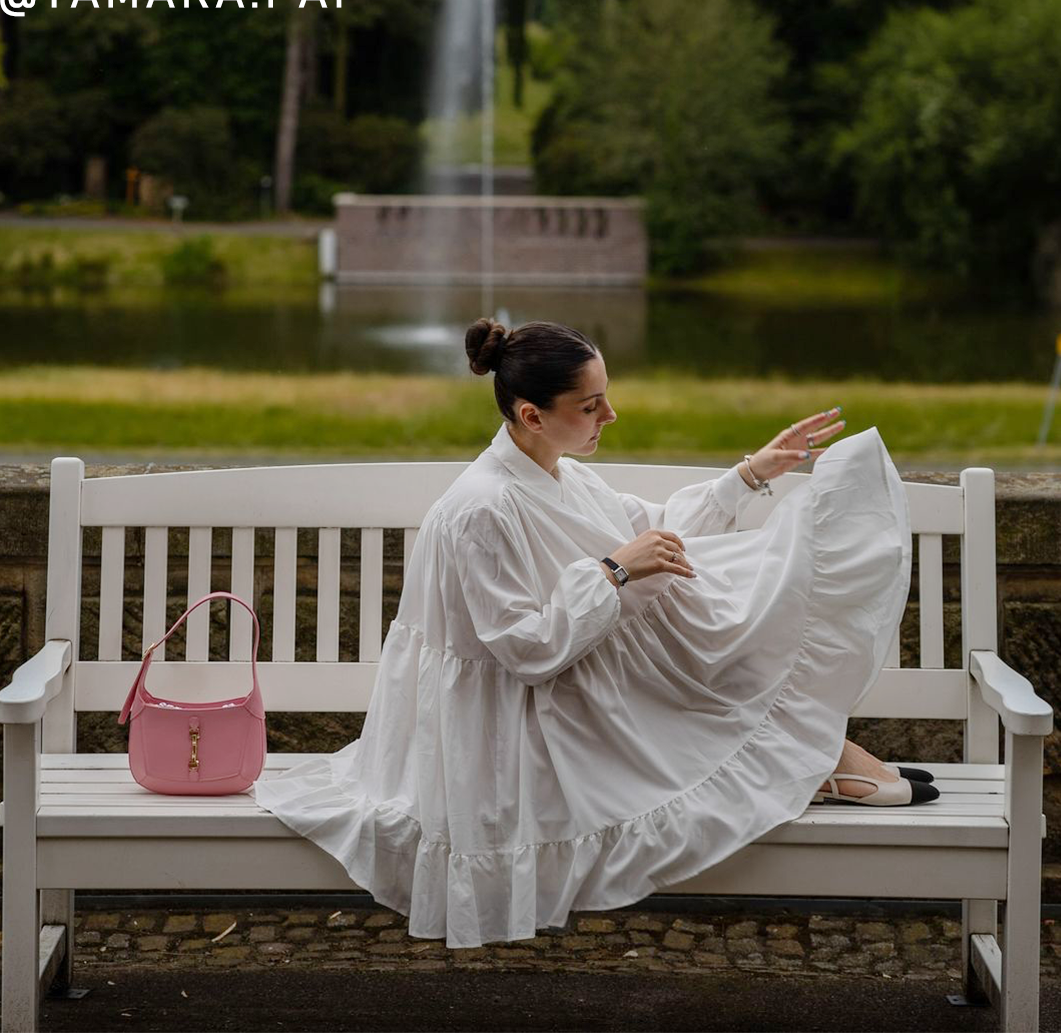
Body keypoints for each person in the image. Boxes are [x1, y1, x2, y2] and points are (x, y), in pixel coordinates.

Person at [252, 317, 936, 951]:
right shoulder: (479, 512)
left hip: (571, 691)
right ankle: (816, 760)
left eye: (606, 396)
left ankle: (812, 757)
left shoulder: (559, 472)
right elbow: (524, 649)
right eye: (591, 405)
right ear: (531, 415)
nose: (610, 415)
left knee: (715, 613)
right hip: (508, 729)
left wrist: (752, 474)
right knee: (701, 662)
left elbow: (654, 524)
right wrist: (611, 573)